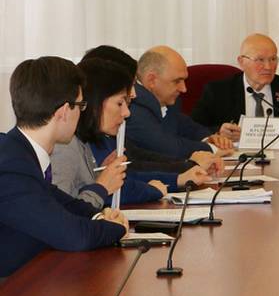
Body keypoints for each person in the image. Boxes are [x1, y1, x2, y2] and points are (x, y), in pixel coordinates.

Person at [0, 57, 127, 278]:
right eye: (81, 105)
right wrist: (119, 228)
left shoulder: (19, 153)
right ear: (64, 111)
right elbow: (75, 236)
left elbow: (64, 204)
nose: (82, 112)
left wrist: (100, 216)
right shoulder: (11, 166)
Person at [51, 59, 212, 209]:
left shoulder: (83, 142)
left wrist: (103, 179)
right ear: (96, 101)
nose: (127, 112)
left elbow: (119, 180)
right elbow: (61, 213)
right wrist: (103, 187)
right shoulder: (66, 146)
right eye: (120, 103)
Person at [82, 45, 225, 173]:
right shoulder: (134, 108)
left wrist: (206, 144)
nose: (133, 94)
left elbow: (135, 157)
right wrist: (190, 165)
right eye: (130, 85)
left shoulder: (164, 101)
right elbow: (151, 156)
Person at [191, 33, 279, 143]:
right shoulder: (217, 91)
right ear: (241, 62)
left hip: (278, 156)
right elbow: (193, 129)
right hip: (233, 155)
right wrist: (218, 132)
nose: (268, 67)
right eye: (260, 60)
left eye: (273, 59)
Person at [126, 46, 233, 159]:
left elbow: (185, 125)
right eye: (177, 81)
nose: (183, 89)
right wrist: (212, 149)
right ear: (151, 80)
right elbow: (167, 148)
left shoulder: (167, 100)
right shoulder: (131, 105)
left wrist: (208, 138)